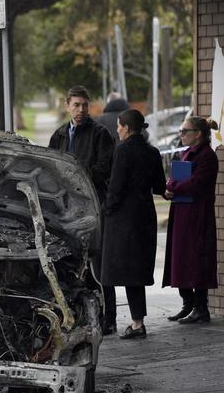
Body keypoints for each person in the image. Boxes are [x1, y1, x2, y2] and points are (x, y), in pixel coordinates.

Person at [49, 86, 117, 334]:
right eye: (76, 105)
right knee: (68, 263)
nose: (81, 110)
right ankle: (74, 317)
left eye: (84, 105)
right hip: (65, 208)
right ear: (67, 105)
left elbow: (104, 167)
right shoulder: (59, 135)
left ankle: (109, 318)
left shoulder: (100, 134)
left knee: (99, 265)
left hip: (93, 204)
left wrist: (76, 177)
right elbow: (51, 169)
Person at [101, 109, 166, 339]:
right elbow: (160, 187)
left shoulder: (123, 151)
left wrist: (106, 209)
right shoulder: (153, 152)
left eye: (119, 126)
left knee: (116, 271)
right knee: (136, 273)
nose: (117, 129)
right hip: (145, 216)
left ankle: (130, 323)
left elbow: (116, 188)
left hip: (123, 220)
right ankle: (138, 322)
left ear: (127, 128)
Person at [163, 116, 219, 324]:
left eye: (185, 131)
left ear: (198, 134)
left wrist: (173, 188)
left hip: (198, 215)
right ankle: (187, 304)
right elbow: (177, 178)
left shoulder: (207, 156)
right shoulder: (186, 153)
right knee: (180, 259)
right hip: (182, 212)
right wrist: (170, 186)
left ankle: (200, 307)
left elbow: (196, 183)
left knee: (197, 260)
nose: (181, 135)